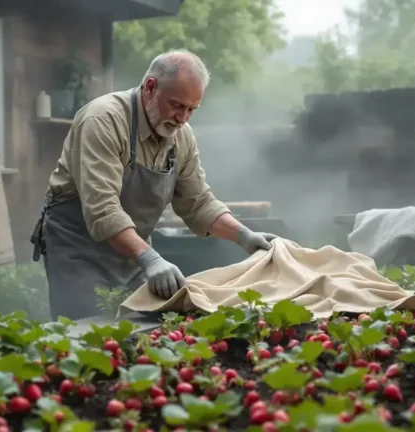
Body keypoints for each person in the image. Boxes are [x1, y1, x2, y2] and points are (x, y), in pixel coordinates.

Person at [31, 49, 279, 320]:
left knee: (142, 329)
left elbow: (198, 203)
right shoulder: (103, 120)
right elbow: (103, 209)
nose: (183, 118)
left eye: (191, 110)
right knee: (86, 333)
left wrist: (244, 235)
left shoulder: (181, 136)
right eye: (177, 105)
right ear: (150, 87)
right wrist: (150, 259)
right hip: (78, 249)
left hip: (131, 252)